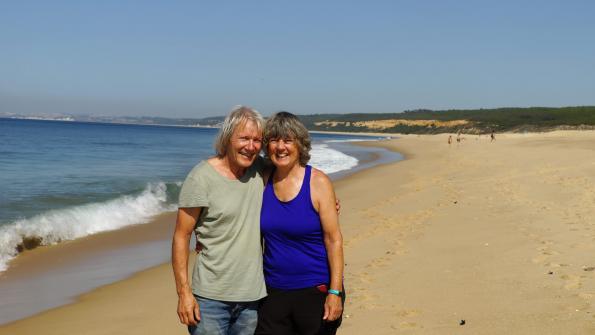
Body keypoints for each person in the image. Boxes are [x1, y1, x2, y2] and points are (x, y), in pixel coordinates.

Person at [172, 106, 267, 335]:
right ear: (227, 138)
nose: (251, 146)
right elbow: (181, 236)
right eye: (244, 138)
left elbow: (294, 174)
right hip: (210, 300)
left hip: (252, 298)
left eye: (257, 140)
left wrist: (327, 198)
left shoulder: (261, 170)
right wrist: (184, 294)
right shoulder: (201, 178)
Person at [255, 112, 345, 335]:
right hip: (273, 291)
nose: (280, 147)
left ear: (300, 145)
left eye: (287, 140)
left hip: (315, 289)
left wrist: (334, 292)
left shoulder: (318, 182)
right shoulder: (263, 179)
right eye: (274, 140)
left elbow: (334, 240)